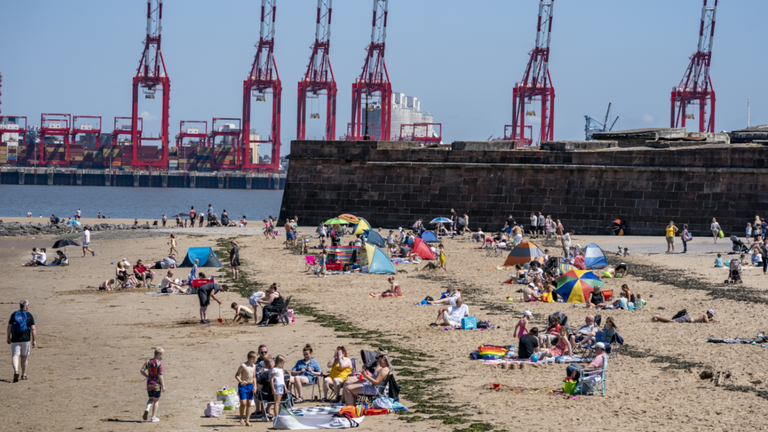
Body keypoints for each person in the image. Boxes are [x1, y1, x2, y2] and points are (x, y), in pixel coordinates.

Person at [7, 299, 36, 383]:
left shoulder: (14, 314)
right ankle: (24, 375)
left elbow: (9, 326)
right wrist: (34, 340)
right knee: (24, 357)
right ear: (26, 306)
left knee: (15, 355)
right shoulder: (29, 315)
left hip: (15, 339)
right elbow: (33, 328)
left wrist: (8, 337)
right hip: (25, 339)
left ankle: (16, 371)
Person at [140, 347, 165, 423]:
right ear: (158, 355)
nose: (163, 357)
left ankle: (147, 409)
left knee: (150, 399)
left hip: (149, 384)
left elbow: (141, 370)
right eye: (162, 355)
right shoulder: (159, 364)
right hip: (156, 384)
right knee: (156, 400)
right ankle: (153, 417)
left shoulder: (148, 361)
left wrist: (147, 376)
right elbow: (160, 376)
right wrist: (163, 385)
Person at [235, 351, 257, 426]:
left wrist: (255, 386)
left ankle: (247, 420)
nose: (256, 360)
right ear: (251, 359)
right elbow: (237, 375)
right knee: (243, 403)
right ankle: (241, 417)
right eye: (255, 358)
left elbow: (254, 377)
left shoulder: (254, 366)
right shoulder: (243, 366)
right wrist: (241, 381)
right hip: (243, 386)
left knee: (249, 404)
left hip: (250, 386)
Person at [652, 309, 719, 323]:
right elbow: (707, 322)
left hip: (687, 318)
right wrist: (713, 321)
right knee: (672, 321)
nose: (711, 317)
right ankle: (658, 316)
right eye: (711, 316)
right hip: (687, 319)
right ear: (709, 314)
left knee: (672, 320)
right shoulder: (705, 315)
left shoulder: (702, 314)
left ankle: (657, 319)